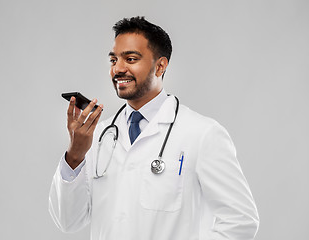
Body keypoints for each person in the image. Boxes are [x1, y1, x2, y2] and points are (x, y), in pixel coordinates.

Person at [49, 16, 259, 240]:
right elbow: (68, 221)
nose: (118, 69)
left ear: (160, 66)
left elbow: (241, 220)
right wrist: (75, 156)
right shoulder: (98, 135)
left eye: (130, 59)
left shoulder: (202, 134)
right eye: (113, 60)